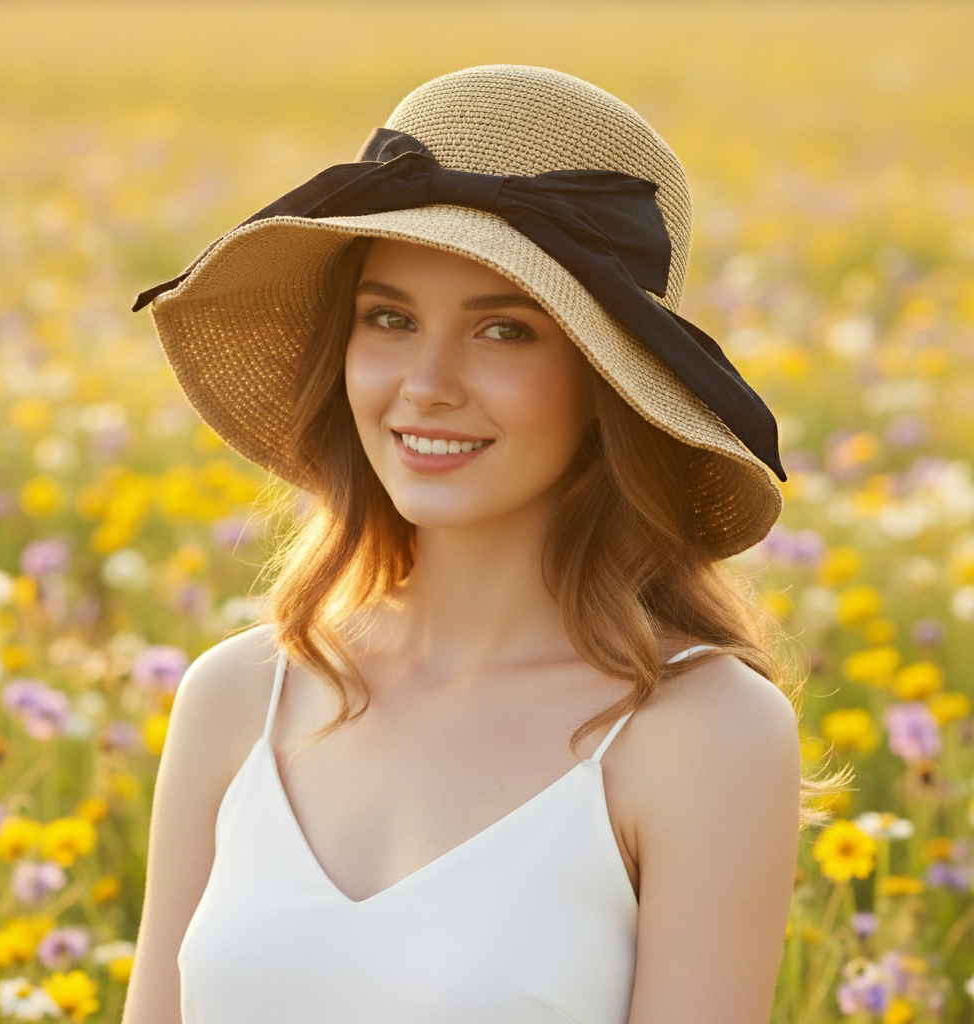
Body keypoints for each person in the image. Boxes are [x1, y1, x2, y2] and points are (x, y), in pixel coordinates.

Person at [123, 65, 817, 1024]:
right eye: (391, 319)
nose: (428, 384)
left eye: (504, 329)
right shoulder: (237, 697)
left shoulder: (701, 735)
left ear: (607, 383)